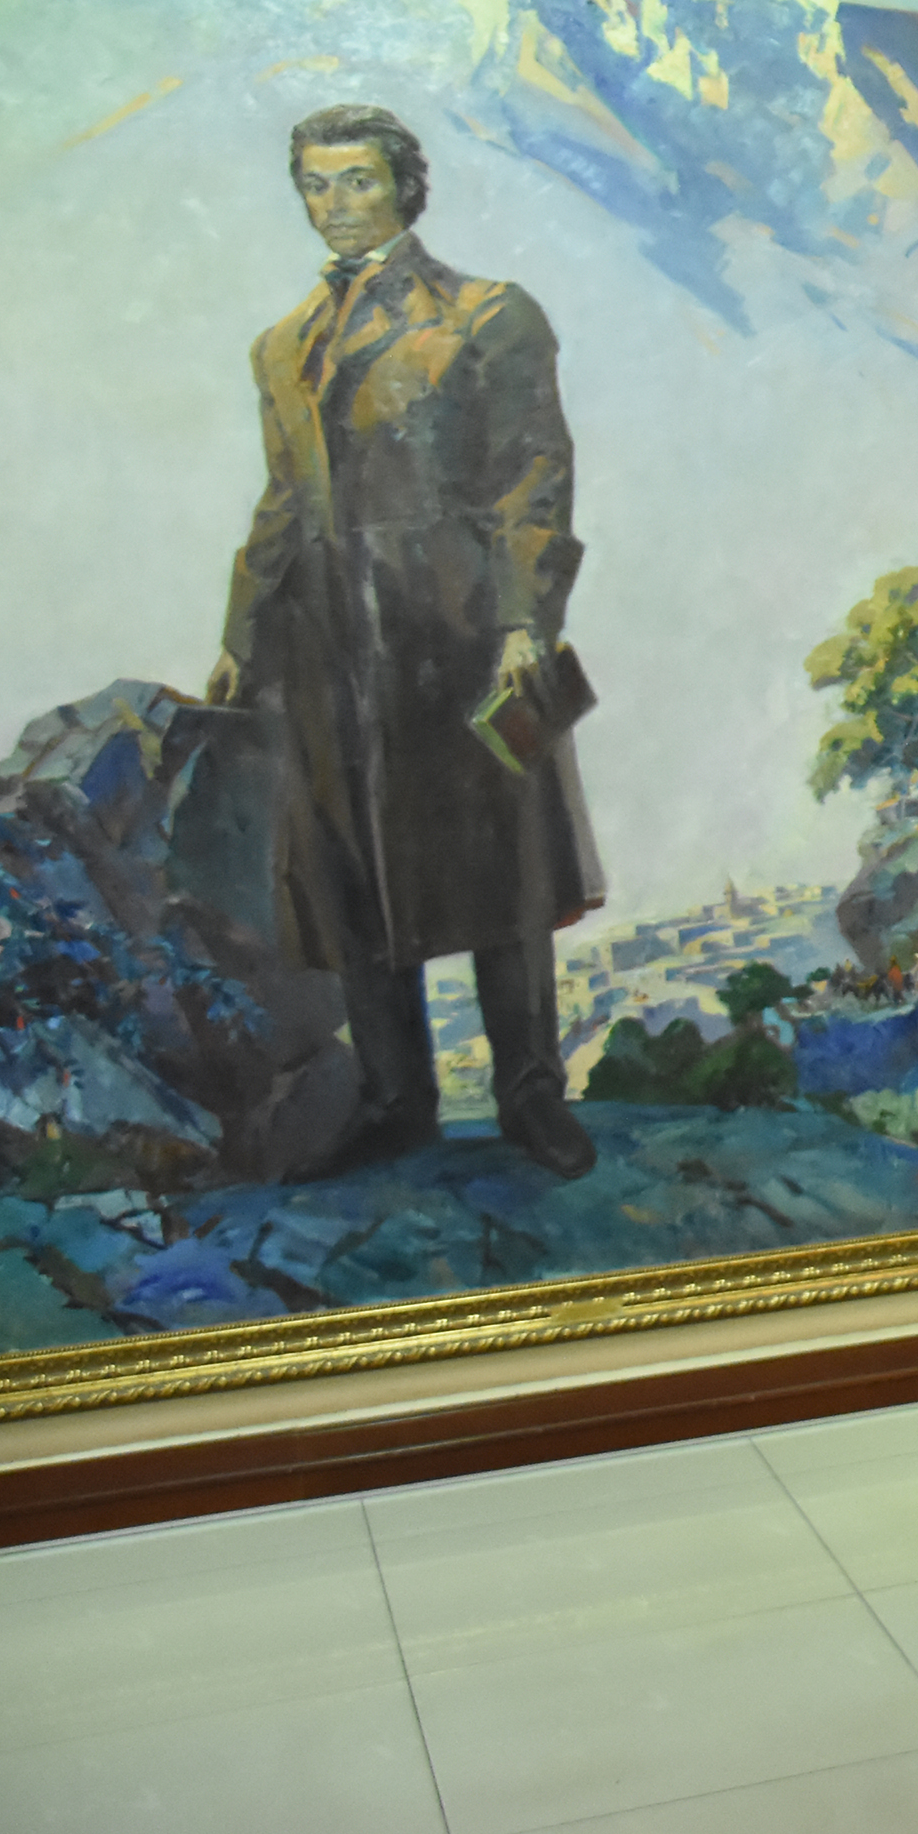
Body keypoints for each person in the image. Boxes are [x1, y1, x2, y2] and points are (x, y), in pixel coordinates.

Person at [209, 104, 605, 1178]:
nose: (335, 204)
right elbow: (283, 501)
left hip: (458, 626)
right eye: (317, 184)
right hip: (323, 642)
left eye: (359, 181)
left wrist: (525, 621)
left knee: (500, 862)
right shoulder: (282, 345)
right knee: (351, 871)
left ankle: (530, 1093)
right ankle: (396, 1101)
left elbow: (534, 474)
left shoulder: (488, 315)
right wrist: (241, 635)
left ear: (404, 189)